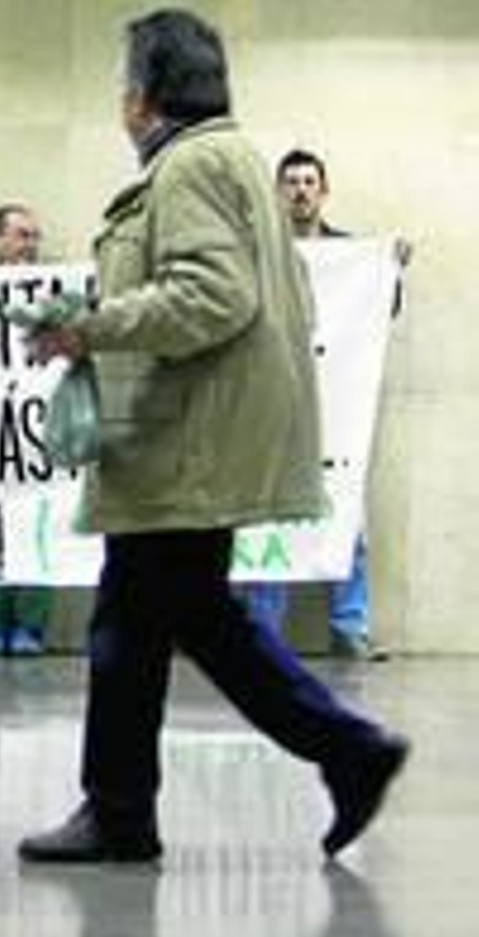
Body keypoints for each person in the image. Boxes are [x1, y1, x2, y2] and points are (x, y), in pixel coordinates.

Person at [17, 9, 408, 864]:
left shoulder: (191, 165)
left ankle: (340, 750)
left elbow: (211, 296)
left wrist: (90, 328)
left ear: (143, 96)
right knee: (161, 621)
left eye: (125, 85)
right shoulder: (230, 160)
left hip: (184, 442)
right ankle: (125, 809)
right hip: (197, 437)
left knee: (162, 621)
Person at [242, 148, 409, 662]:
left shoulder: (350, 255)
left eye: (309, 181)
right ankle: (262, 632)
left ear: (323, 191)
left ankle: (349, 626)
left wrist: (391, 271)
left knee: (345, 512)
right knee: (268, 519)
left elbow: (378, 315)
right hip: (272, 404)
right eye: (291, 182)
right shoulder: (259, 253)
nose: (300, 190)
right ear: (278, 193)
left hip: (335, 407)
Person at [0, 203, 55, 657]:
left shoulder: (54, 296)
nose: (30, 245)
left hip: (39, 430)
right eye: (22, 235)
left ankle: (30, 626)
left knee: (39, 526)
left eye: (34, 236)